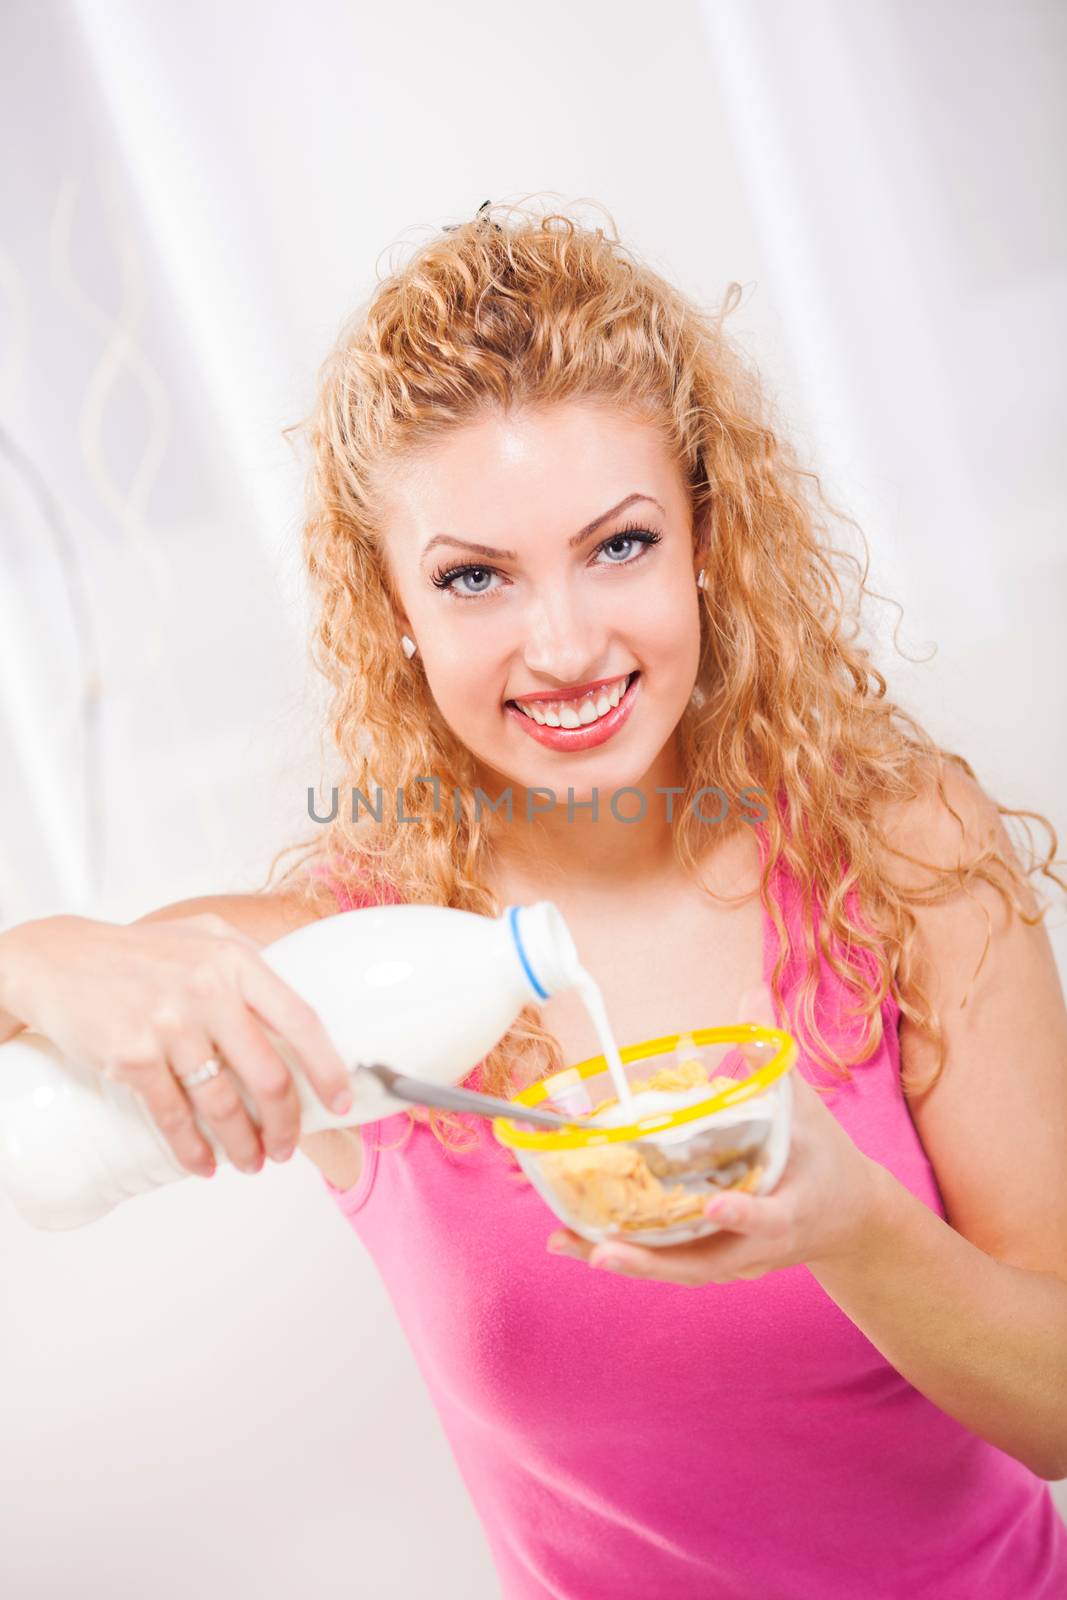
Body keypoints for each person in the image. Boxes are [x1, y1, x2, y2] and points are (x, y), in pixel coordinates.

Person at [1, 198, 1066, 1599]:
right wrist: (42, 954)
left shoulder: (901, 850)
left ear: (704, 535)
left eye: (618, 545)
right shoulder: (339, 969)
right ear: (393, 609)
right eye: (474, 578)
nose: (562, 645)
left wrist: (851, 1228)